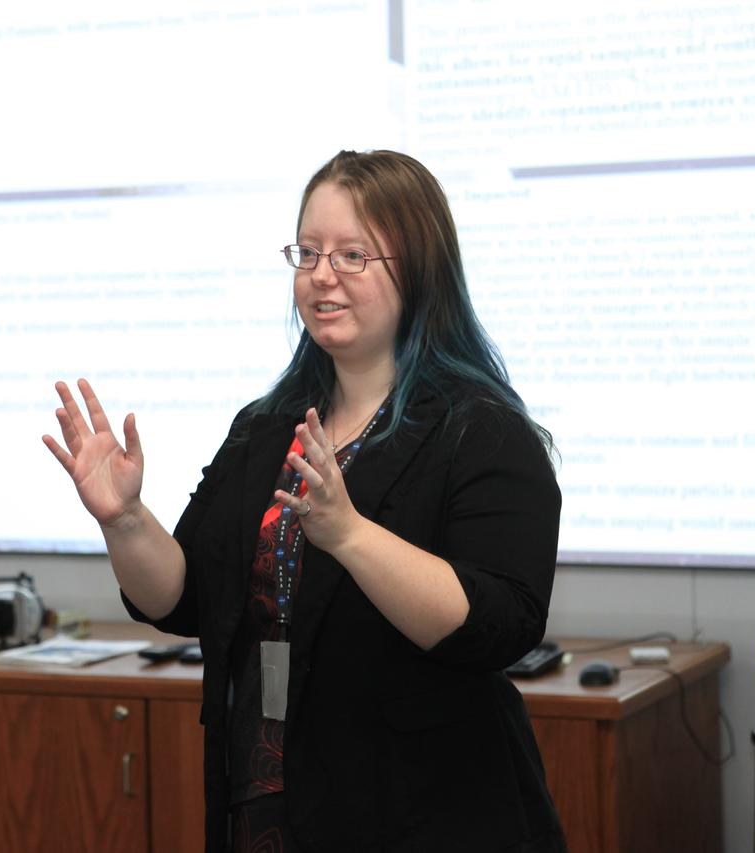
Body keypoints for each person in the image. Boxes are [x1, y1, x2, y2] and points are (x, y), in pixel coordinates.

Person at [44, 150, 565, 853]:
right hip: (268, 799)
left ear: (418, 270)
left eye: (353, 255)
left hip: (421, 811)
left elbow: (500, 622)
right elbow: (183, 596)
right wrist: (125, 518)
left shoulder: (480, 429)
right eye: (309, 252)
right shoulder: (268, 425)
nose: (323, 275)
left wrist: (348, 533)